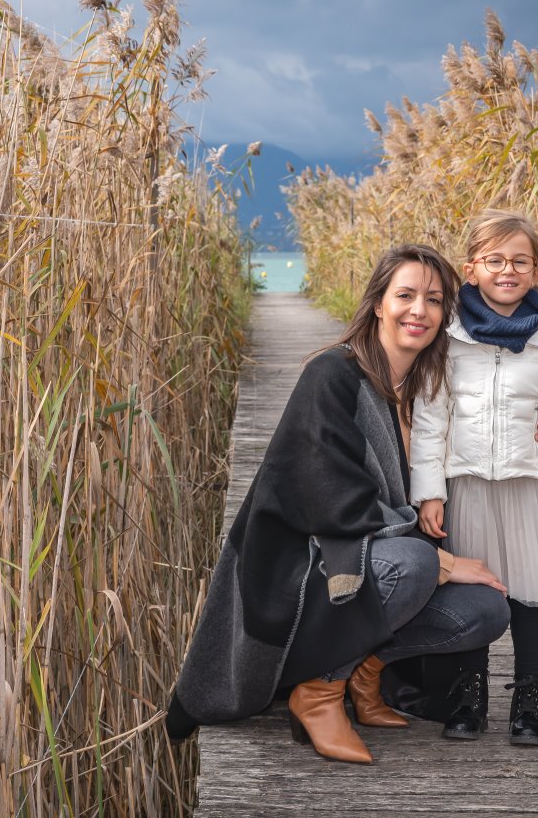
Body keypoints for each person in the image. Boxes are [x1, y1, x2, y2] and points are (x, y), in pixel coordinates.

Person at [165, 244, 511, 764]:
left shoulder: (428, 391)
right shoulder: (333, 374)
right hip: (304, 569)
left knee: (484, 610)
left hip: (366, 565)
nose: (419, 310)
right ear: (378, 303)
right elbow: (328, 499)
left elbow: (495, 431)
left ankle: (363, 673)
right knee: (415, 563)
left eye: (435, 300)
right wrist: (443, 561)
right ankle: (320, 690)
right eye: (405, 295)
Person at [410, 210, 538, 747]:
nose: (507, 270)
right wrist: (430, 491)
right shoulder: (449, 339)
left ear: (536, 270)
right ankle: (470, 697)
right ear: (472, 269)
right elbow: (431, 420)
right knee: (474, 593)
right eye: (495, 260)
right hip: (466, 486)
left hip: (530, 487)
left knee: (528, 598)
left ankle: (529, 699)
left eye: (520, 261)